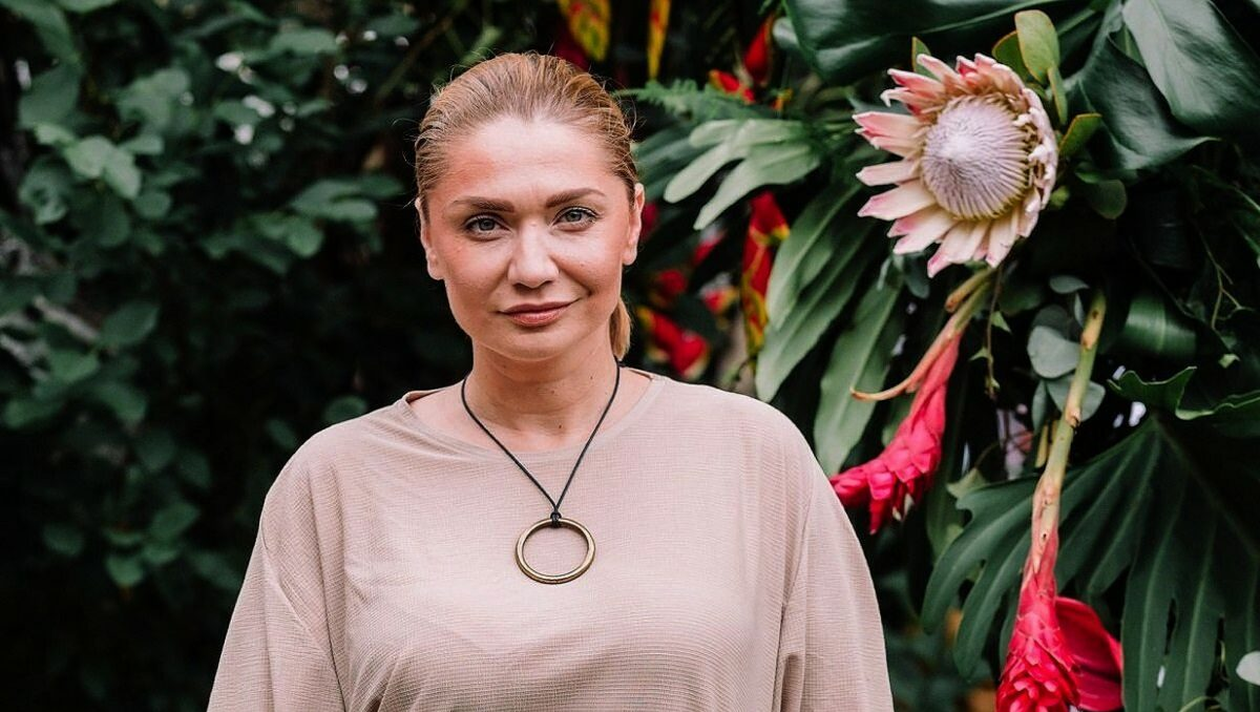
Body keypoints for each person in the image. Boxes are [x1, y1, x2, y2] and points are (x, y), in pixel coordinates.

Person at [207, 51, 893, 711]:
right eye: (485, 223)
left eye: (573, 216)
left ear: (632, 221)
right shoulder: (336, 482)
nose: (532, 267)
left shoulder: (754, 455)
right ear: (428, 238)